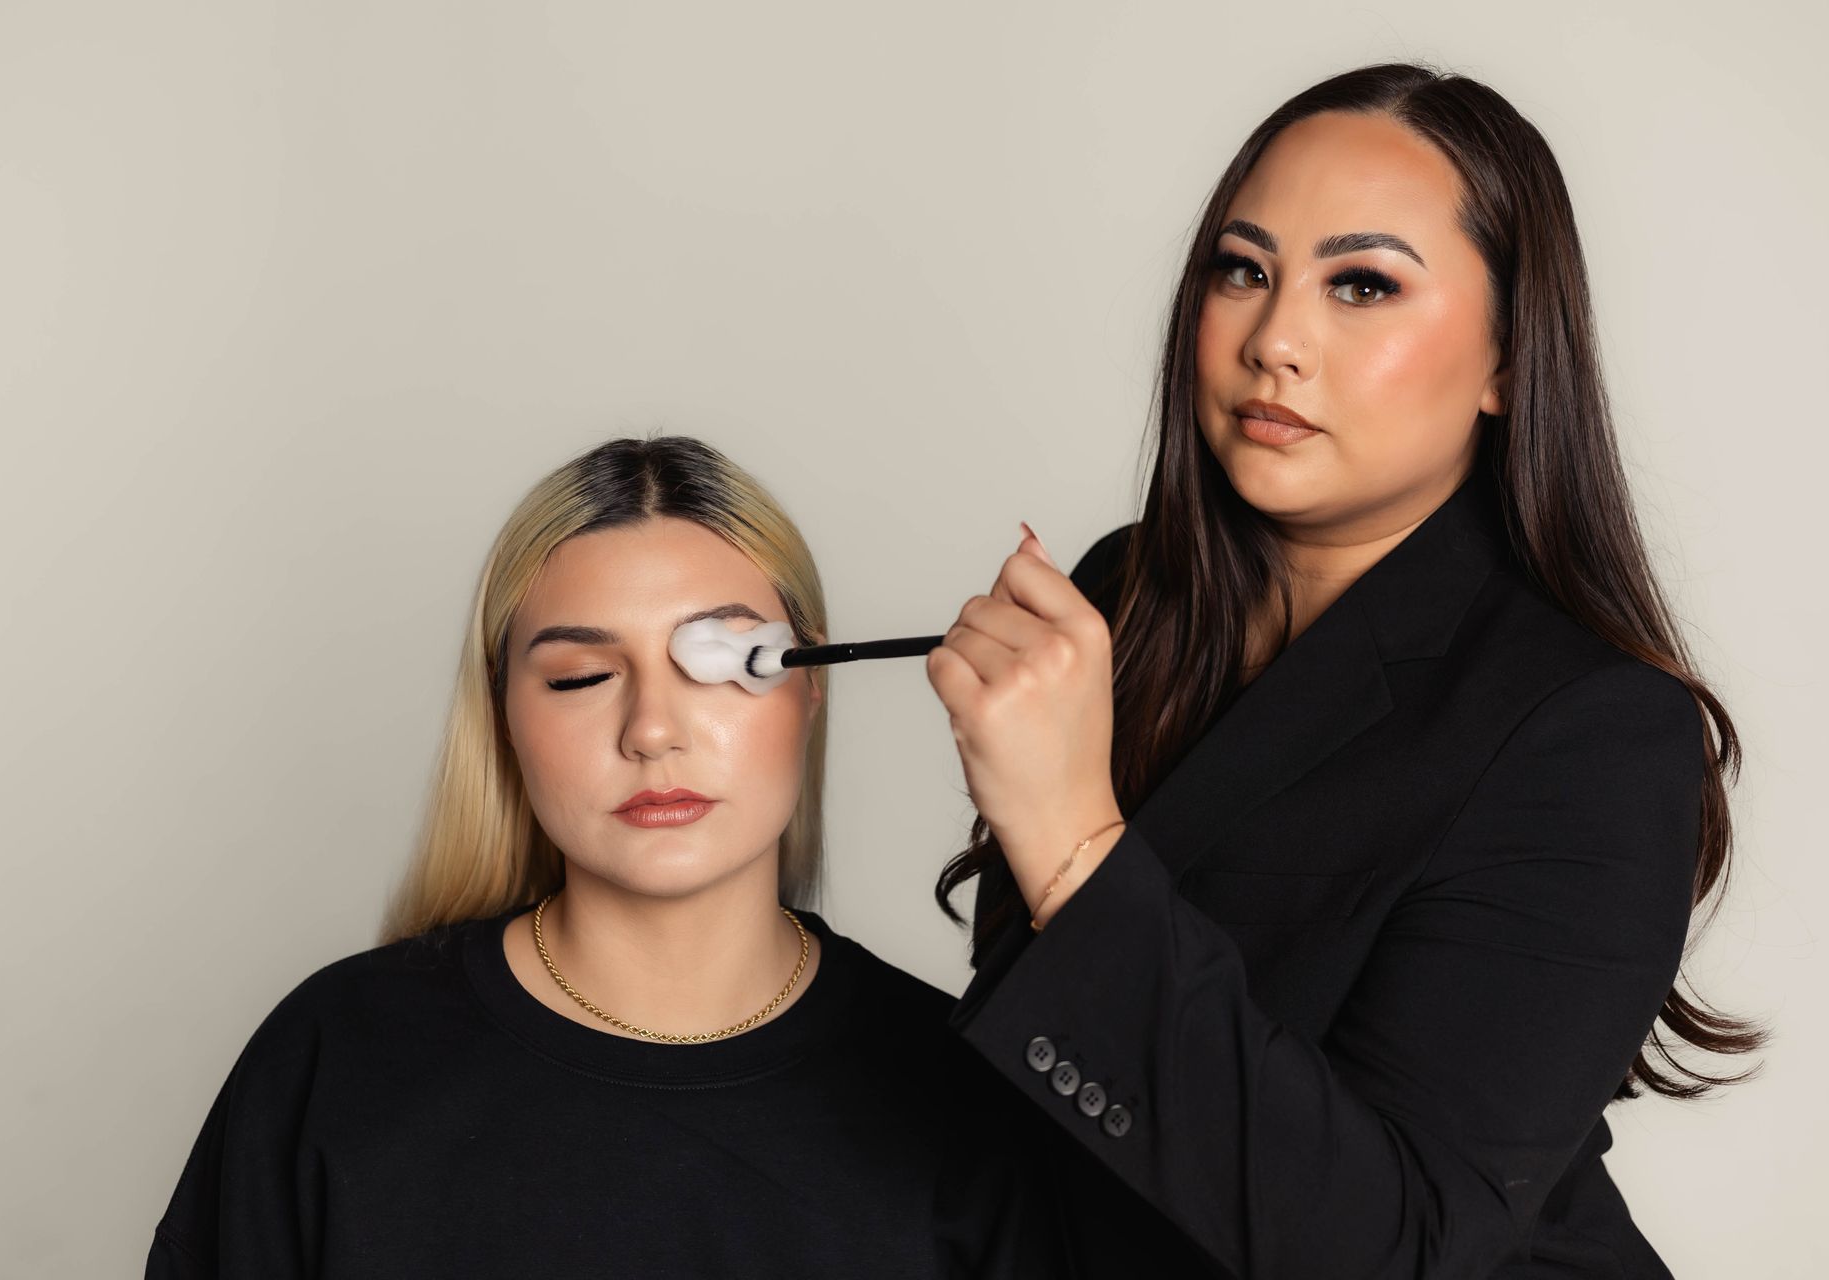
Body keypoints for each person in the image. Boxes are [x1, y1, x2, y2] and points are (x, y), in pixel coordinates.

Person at [924, 63, 1762, 1278]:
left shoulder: (1595, 729)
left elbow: (1396, 1250)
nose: (1275, 340)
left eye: (1362, 284)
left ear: (1509, 365)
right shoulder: (1127, 596)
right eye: (1242, 269)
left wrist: (1072, 845)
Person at [146, 435, 1092, 1278]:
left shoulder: (965, 1101)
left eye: (721, 662)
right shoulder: (335, 1061)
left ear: (809, 693)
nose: (651, 729)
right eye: (580, 677)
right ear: (505, 715)